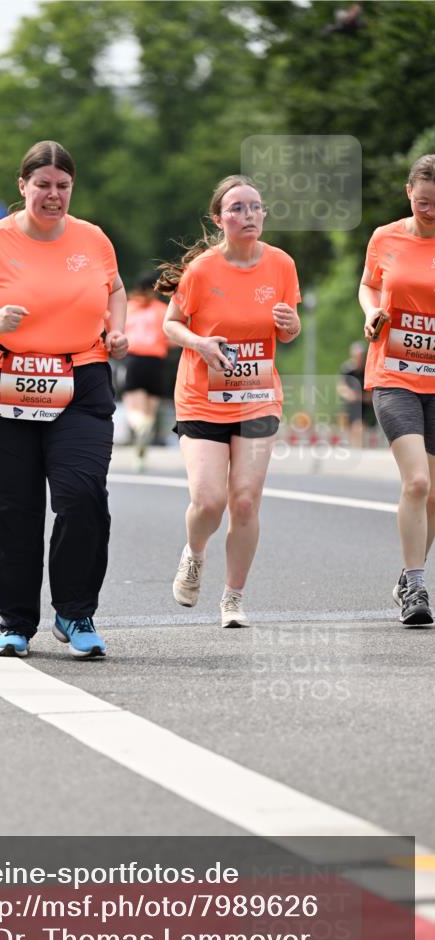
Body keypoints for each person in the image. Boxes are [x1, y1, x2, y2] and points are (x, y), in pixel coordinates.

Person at [0, 140, 127, 658]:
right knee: (12, 510)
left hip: (80, 379)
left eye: (62, 186)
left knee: (82, 494)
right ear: (22, 187)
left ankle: (75, 612)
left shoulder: (92, 239)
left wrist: (117, 329)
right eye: (42, 185)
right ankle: (16, 622)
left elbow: (113, 289)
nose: (53, 195)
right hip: (1, 381)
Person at [157, 174, 301, 627]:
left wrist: (290, 324)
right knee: (210, 501)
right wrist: (199, 344)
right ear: (219, 219)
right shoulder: (202, 269)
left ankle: (233, 598)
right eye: (236, 208)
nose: (247, 216)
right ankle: (195, 553)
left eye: (255, 207)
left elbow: (289, 331)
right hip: (202, 397)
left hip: (258, 397)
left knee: (244, 501)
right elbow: (171, 324)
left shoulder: (281, 265)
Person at [359, 153, 435, 626]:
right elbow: (368, 286)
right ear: (409, 192)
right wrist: (371, 312)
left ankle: (408, 577)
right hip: (394, 374)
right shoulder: (384, 237)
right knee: (418, 482)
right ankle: (417, 585)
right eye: (423, 201)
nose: (429, 210)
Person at [122, 274, 169, 471]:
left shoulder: (128, 307)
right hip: (155, 361)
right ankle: (141, 453)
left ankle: (139, 427)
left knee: (133, 406)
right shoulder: (162, 310)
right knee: (150, 409)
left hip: (134, 358)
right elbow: (171, 337)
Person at [337, 340, 375, 448]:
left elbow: (372, 392)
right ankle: (355, 447)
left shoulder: (368, 369)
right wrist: (349, 394)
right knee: (352, 426)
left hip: (366, 404)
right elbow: (341, 386)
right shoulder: (347, 369)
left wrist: (362, 397)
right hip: (352, 403)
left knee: (360, 426)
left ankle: (360, 447)